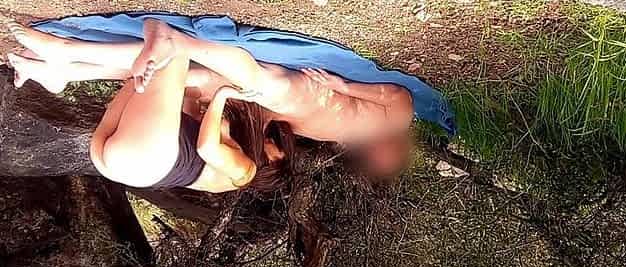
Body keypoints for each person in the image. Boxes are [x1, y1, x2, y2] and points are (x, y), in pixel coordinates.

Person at [8, 19, 415, 189]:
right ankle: (65, 70)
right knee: (155, 74)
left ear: (272, 164)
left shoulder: (243, 172)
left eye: (275, 150)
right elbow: (185, 109)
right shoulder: (387, 119)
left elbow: (204, 146)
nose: (275, 145)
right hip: (119, 163)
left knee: (174, 57)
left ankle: (67, 54)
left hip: (146, 161)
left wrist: (222, 95)